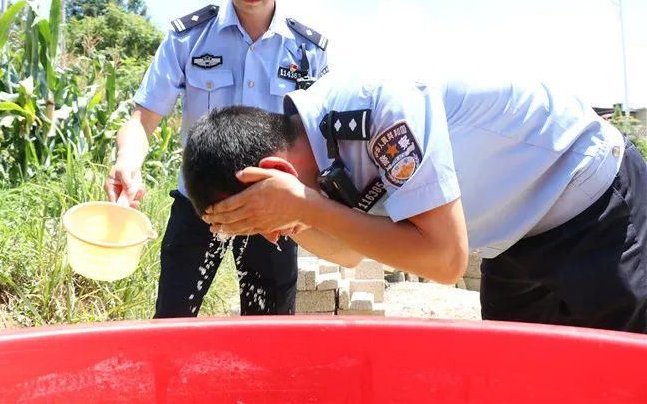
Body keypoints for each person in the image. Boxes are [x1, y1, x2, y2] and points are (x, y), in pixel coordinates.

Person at [184, 74, 647, 333]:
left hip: (592, 203)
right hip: (513, 238)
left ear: (278, 174)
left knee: (622, 371)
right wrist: (302, 211)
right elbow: (348, 251)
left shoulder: (378, 113)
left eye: (256, 216)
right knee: (515, 381)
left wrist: (304, 208)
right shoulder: (315, 159)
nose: (270, 234)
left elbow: (446, 260)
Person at [105, 0, 329, 318]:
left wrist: (310, 205)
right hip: (198, 204)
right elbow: (143, 119)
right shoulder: (188, 39)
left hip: (273, 212)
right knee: (171, 325)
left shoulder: (307, 52)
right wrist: (127, 162)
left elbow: (324, 144)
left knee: (270, 337)